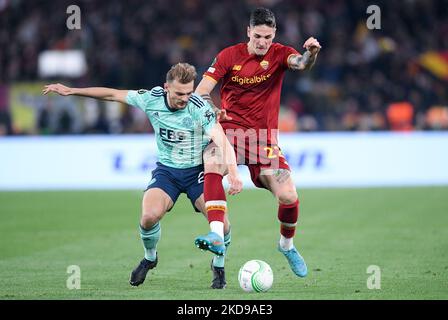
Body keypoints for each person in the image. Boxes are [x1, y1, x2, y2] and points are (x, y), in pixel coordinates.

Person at [43, 63, 242, 289]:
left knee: (221, 225)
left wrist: (234, 173)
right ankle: (150, 257)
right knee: (148, 217)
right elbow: (112, 94)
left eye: (189, 92)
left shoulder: (198, 107)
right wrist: (72, 91)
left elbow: (221, 138)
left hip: (197, 171)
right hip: (167, 172)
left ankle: (218, 266)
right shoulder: (151, 99)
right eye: (179, 93)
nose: (185, 98)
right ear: (166, 87)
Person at [194, 7, 321, 278]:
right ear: (248, 32)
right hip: (232, 131)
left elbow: (301, 64)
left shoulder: (280, 53)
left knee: (288, 197)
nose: (263, 42)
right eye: (258, 35)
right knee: (213, 159)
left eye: (268, 36)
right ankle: (216, 235)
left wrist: (312, 52)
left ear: (274, 34)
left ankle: (286, 246)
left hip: (263, 140)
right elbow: (201, 91)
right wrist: (211, 108)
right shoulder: (229, 56)